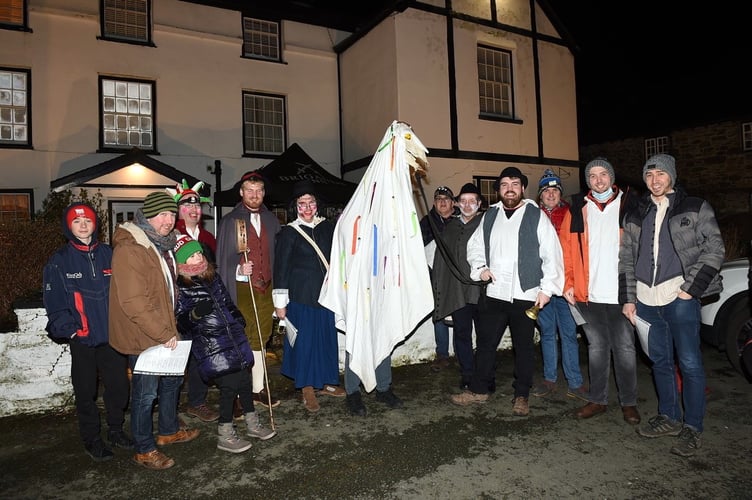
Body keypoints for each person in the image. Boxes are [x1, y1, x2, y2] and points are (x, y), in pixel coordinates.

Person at [620, 153, 725, 457]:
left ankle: (692, 427)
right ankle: (669, 417)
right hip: (645, 300)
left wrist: (689, 291)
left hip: (679, 298)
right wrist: (628, 298)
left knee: (690, 363)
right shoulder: (635, 212)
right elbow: (626, 258)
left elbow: (714, 249)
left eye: (661, 174)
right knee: (660, 362)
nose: (655, 180)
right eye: (649, 175)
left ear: (672, 177)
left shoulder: (694, 206)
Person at [451, 167, 564, 417]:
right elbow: (476, 246)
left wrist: (547, 290)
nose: (509, 188)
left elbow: (552, 254)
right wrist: (480, 269)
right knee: (486, 344)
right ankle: (479, 390)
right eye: (504, 185)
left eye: (514, 184)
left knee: (523, 347)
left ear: (522, 188)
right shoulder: (490, 215)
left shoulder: (536, 215)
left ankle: (521, 395)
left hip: (526, 293)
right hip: (495, 292)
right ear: (499, 190)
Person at [109, 191, 200, 471]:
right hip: (144, 333)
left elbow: (161, 283)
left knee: (172, 382)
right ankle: (144, 448)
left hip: (166, 326)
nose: (168, 220)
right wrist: (163, 333)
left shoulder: (160, 244)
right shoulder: (130, 248)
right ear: (147, 216)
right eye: (162, 214)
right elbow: (133, 301)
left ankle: (168, 430)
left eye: (172, 214)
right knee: (145, 394)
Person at [42, 203, 133, 462]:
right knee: (86, 392)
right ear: (68, 227)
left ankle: (115, 430)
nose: (83, 225)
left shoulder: (110, 254)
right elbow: (55, 303)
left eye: (88, 221)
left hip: (112, 337)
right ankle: (92, 439)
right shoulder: (59, 261)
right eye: (77, 221)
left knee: (118, 388)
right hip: (82, 339)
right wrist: (71, 331)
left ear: (95, 224)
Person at [174, 235, 276, 453]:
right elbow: (181, 322)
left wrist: (238, 319)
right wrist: (194, 313)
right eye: (191, 256)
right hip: (211, 346)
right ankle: (225, 433)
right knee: (229, 387)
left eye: (199, 253)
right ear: (182, 261)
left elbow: (227, 302)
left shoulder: (212, 276)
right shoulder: (181, 286)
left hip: (233, 338)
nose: (197, 257)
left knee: (244, 382)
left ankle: (252, 423)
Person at [559, 157, 641, 425]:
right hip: (588, 295)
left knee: (626, 349)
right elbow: (566, 252)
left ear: (612, 177)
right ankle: (597, 400)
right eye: (592, 175)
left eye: (603, 174)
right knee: (596, 348)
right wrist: (568, 283)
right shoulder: (576, 208)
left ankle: (628, 403)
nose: (598, 179)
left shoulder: (629, 205)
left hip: (621, 295)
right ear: (587, 181)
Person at [273, 180, 345, 412]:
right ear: (296, 207)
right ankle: (306, 387)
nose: (306, 208)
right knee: (304, 343)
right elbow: (281, 269)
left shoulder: (328, 228)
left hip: (325, 297)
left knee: (325, 340)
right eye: (301, 204)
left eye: (310, 203)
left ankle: (324, 382)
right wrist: (280, 305)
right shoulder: (288, 233)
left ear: (317, 205)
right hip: (301, 298)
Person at [216, 171, 282, 410]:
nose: (255, 195)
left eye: (259, 190)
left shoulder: (273, 221)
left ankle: (257, 389)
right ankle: (235, 394)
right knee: (241, 339)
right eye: (250, 190)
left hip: (266, 288)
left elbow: (278, 257)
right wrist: (238, 268)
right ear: (241, 192)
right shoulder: (230, 221)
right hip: (242, 288)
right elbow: (223, 260)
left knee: (262, 339)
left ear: (263, 193)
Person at [531, 170, 587, 401]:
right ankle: (550, 379)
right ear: (540, 195)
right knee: (546, 333)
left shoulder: (572, 214)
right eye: (546, 191)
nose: (551, 194)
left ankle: (575, 381)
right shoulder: (532, 215)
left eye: (555, 191)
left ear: (560, 194)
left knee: (568, 334)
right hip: (542, 286)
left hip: (566, 286)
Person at [170, 180, 219, 423]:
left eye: (197, 205)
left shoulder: (208, 236)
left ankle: (197, 402)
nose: (193, 210)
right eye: (187, 206)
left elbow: (214, 271)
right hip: (180, 304)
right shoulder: (170, 234)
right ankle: (171, 409)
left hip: (203, 304)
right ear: (178, 209)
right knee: (177, 359)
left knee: (200, 355)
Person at [430, 182, 485, 389]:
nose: (468, 205)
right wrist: (440, 287)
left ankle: (484, 372)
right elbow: (441, 260)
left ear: (479, 204)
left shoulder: (486, 224)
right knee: (462, 333)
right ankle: (468, 373)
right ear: (457, 204)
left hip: (482, 291)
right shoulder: (450, 227)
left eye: (472, 201)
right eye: (464, 201)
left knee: (484, 334)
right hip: (459, 292)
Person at [420, 185, 458, 372]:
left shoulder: (460, 220)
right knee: (439, 315)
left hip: (458, 276)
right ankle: (442, 355)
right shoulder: (428, 222)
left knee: (460, 314)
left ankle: (462, 353)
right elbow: (418, 245)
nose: (442, 202)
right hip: (435, 275)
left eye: (446, 199)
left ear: (452, 202)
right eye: (438, 199)